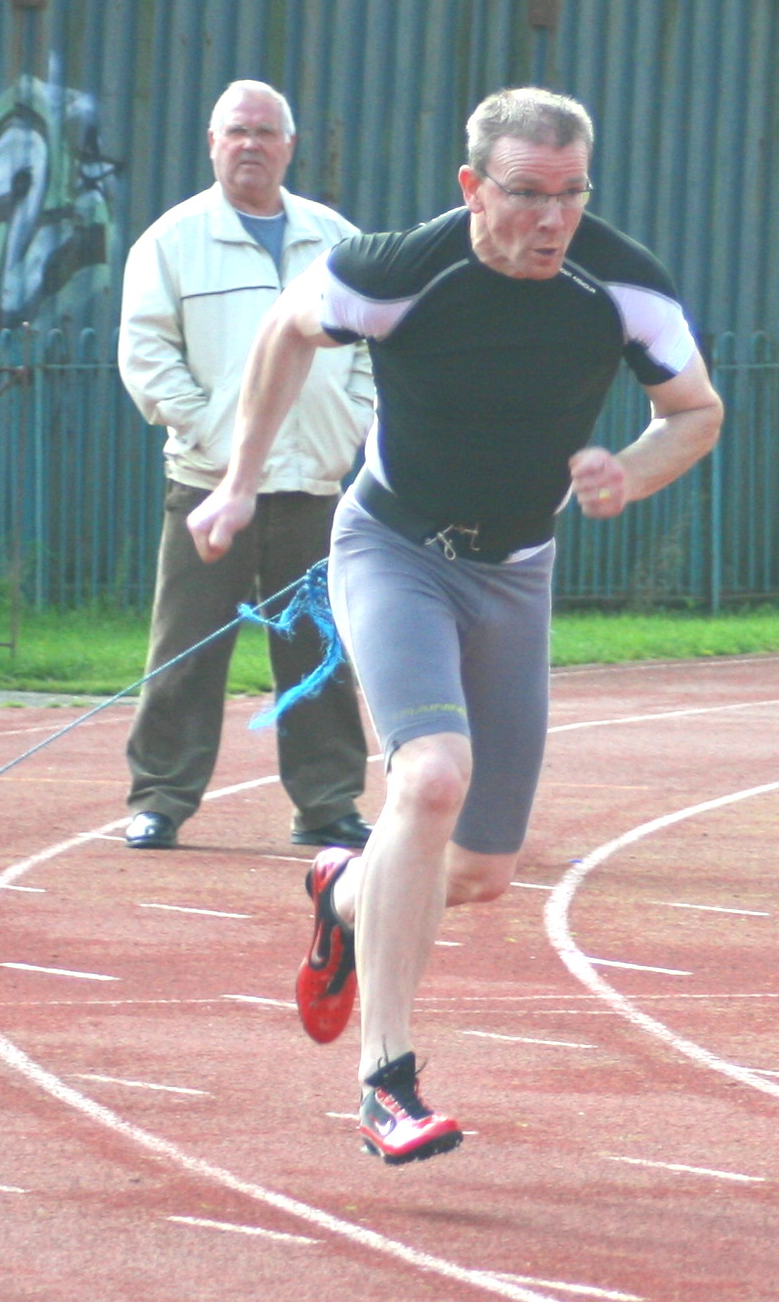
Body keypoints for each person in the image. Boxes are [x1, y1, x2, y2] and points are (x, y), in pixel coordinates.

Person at [188, 87, 722, 1164]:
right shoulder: (397, 271)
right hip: (392, 550)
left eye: (571, 194)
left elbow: (696, 411)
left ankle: (343, 888)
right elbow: (288, 328)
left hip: (514, 573)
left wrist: (629, 470)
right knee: (429, 777)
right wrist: (239, 481)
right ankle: (386, 1083)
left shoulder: (620, 285)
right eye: (526, 194)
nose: (551, 219)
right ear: (473, 186)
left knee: (480, 872)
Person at [117, 79, 374, 851]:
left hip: (312, 488)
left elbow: (375, 345)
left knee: (320, 652)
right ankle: (161, 798)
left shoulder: (337, 240)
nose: (251, 144)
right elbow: (146, 354)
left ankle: (327, 803)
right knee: (186, 652)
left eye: (265, 132)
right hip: (208, 487)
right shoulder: (171, 241)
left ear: (290, 146)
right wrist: (212, 433)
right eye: (236, 131)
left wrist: (351, 420)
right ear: (212, 143)